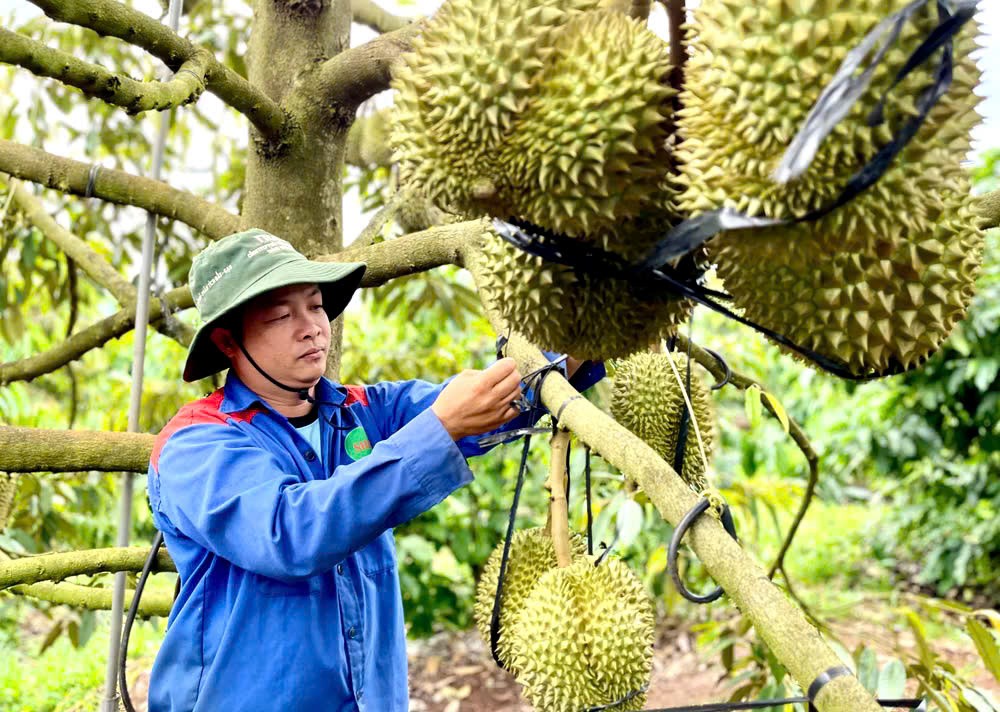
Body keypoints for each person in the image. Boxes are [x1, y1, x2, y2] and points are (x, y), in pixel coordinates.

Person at [145, 228, 605, 711]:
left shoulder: (362, 412)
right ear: (227, 340)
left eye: (316, 305)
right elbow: (290, 532)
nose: (312, 327)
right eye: (281, 314)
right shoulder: (195, 444)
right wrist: (438, 429)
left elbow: (495, 402)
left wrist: (593, 331)